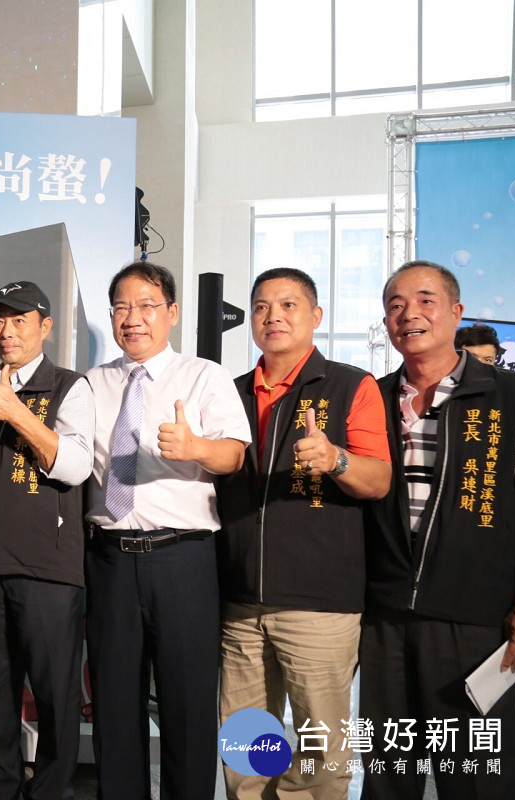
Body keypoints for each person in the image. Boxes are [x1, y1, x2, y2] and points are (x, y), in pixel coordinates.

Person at [216, 267, 391, 799]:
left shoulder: (351, 385)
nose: (273, 317)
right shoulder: (230, 393)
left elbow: (378, 480)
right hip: (241, 604)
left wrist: (336, 459)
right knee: (247, 748)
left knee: (322, 752)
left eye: (289, 305)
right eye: (262, 307)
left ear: (315, 316)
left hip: (319, 606)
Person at [84, 261, 250, 800]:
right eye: (122, 307)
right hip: (110, 559)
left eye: (147, 306)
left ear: (172, 313)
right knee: (114, 704)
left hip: (182, 559)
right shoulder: (93, 383)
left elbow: (234, 455)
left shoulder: (203, 376)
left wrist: (195, 447)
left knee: (187, 704)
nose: (133, 318)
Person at [360, 260, 515, 799]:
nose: (409, 314)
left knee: (475, 777)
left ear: (456, 312)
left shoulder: (509, 398)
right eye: (396, 305)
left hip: (476, 622)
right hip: (384, 620)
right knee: (388, 775)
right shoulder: (371, 399)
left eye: (425, 301)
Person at [0, 281, 94, 800]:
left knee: (56, 696)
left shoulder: (69, 386)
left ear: (46, 326)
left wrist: (16, 411)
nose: (6, 331)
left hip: (47, 571)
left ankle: (52, 792)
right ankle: (0, 790)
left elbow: (76, 466)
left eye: (19, 320)